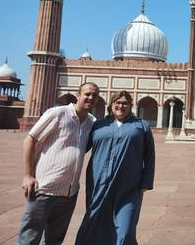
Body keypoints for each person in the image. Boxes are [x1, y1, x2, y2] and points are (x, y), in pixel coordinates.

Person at [18, 82, 100, 245]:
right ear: (78, 95)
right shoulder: (58, 113)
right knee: (29, 237)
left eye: (94, 95)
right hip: (45, 188)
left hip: (69, 193)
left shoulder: (92, 122)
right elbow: (30, 139)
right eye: (87, 94)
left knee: (54, 240)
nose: (90, 98)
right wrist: (28, 175)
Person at [76, 90, 155, 245]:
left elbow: (150, 156)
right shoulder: (98, 125)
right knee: (95, 222)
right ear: (111, 105)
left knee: (126, 230)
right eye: (117, 103)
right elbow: (79, 148)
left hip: (129, 186)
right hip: (99, 184)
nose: (121, 106)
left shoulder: (141, 126)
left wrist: (146, 183)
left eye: (125, 103)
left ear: (131, 105)